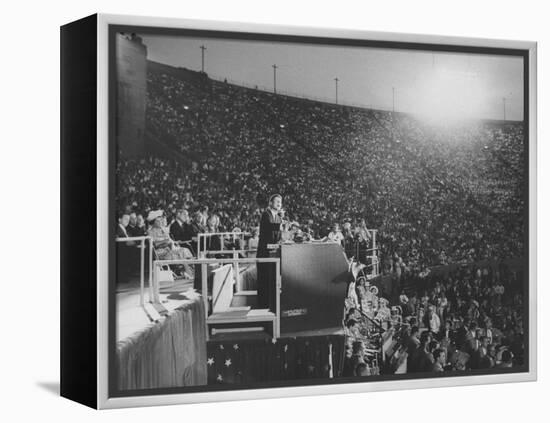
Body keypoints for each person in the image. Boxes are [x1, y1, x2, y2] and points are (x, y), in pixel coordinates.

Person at [256, 194, 284, 310]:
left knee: (272, 281)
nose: (279, 204)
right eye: (277, 201)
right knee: (263, 281)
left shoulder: (278, 217)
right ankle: (262, 306)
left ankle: (271, 305)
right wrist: (282, 224)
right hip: (264, 253)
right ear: (271, 203)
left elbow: (278, 236)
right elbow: (269, 228)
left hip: (273, 253)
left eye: (280, 202)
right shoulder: (265, 215)